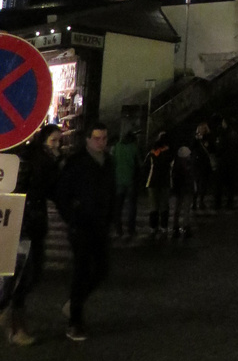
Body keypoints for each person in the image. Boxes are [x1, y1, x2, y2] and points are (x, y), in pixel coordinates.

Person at [0, 124, 62, 345]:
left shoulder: (43, 159)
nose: (57, 145)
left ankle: (15, 323)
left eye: (59, 141)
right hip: (22, 226)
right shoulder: (32, 160)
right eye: (53, 140)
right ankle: (15, 327)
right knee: (19, 278)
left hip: (31, 225)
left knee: (26, 277)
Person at [56, 122, 115, 342]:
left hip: (100, 225)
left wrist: (111, 217)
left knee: (102, 269)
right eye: (97, 138)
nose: (102, 142)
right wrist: (72, 217)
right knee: (81, 271)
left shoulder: (108, 161)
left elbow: (111, 191)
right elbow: (62, 194)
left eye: (104, 138)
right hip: (81, 225)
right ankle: (75, 321)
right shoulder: (77, 162)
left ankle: (74, 303)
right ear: (88, 139)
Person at [111, 130, 140, 239]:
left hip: (118, 181)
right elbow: (139, 164)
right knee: (131, 207)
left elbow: (112, 162)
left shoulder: (116, 147)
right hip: (131, 181)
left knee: (118, 207)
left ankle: (118, 230)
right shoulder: (134, 148)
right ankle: (131, 230)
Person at [144, 131, 172, 237]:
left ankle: (153, 228)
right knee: (164, 206)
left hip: (152, 181)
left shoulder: (152, 152)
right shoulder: (169, 153)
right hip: (165, 181)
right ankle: (163, 227)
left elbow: (146, 166)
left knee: (153, 206)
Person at [171, 145, 195, 239]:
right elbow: (191, 177)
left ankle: (175, 226)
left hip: (178, 189)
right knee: (186, 209)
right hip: (187, 188)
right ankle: (186, 226)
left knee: (177, 208)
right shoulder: (188, 165)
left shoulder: (176, 165)